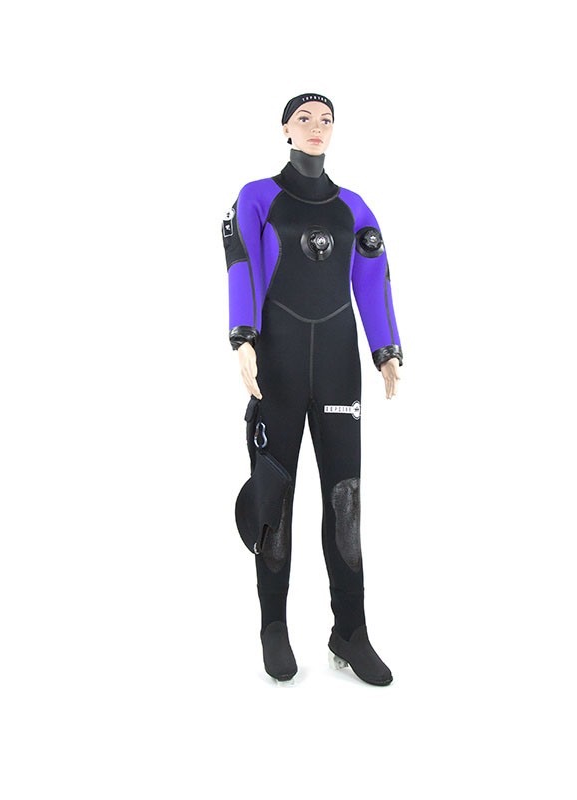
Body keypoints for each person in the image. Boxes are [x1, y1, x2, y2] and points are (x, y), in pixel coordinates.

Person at [222, 93, 403, 686]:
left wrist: (386, 350)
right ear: (285, 129)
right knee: (274, 498)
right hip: (274, 364)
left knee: (344, 499)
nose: (316, 127)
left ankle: (350, 631)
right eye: (305, 118)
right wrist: (243, 337)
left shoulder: (354, 207)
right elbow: (243, 266)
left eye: (326, 120)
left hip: (336, 367)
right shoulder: (257, 197)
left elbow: (373, 280)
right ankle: (274, 627)